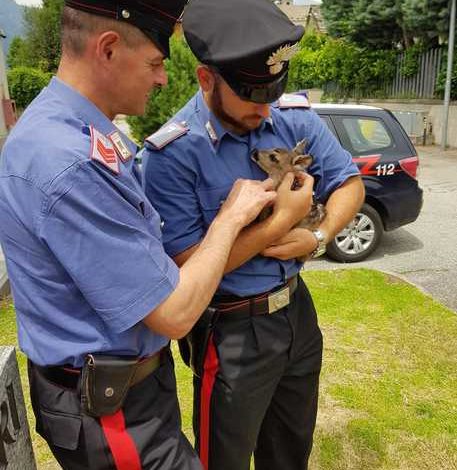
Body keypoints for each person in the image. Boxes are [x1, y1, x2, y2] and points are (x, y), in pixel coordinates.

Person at [0, 0, 312, 468]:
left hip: (130, 391)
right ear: (107, 49)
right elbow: (174, 313)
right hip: (112, 413)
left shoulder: (84, 134)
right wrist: (232, 217)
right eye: (154, 63)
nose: (164, 78)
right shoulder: (68, 162)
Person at [140, 0, 366, 469]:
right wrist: (282, 222)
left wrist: (319, 237)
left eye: (271, 93)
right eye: (249, 95)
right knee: (224, 459)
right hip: (232, 332)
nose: (264, 112)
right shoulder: (173, 154)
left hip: (297, 314)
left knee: (290, 452)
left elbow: (350, 183)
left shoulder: (290, 117)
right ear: (206, 79)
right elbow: (188, 270)